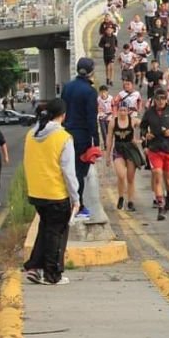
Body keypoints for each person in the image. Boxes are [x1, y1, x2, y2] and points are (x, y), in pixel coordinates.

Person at [22, 99, 80, 285]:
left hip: (36, 192)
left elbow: (27, 162)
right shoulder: (63, 137)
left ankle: (35, 267)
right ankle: (52, 274)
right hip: (56, 193)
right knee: (57, 233)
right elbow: (69, 172)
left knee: (46, 228)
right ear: (63, 115)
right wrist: (75, 197)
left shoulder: (31, 134)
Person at [61, 57, 99, 219]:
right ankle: (79, 205)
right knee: (79, 171)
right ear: (91, 71)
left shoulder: (67, 87)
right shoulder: (90, 91)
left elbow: (61, 111)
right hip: (82, 136)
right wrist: (96, 140)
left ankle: (67, 203)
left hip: (65, 134)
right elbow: (91, 118)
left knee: (66, 169)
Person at [140, 88, 169, 221]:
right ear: (154, 99)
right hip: (155, 148)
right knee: (157, 174)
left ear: (167, 99)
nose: (160, 101)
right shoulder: (149, 112)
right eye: (158, 99)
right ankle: (161, 206)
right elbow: (142, 126)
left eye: (163, 98)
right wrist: (145, 134)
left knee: (168, 179)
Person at [106, 101, 144, 212]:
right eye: (121, 110)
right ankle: (121, 197)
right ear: (117, 111)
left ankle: (131, 201)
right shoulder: (113, 122)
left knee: (130, 178)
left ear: (128, 111)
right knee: (121, 175)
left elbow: (146, 126)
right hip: (118, 149)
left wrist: (141, 139)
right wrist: (107, 155)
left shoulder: (133, 121)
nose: (122, 113)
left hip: (130, 149)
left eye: (125, 110)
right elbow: (109, 139)